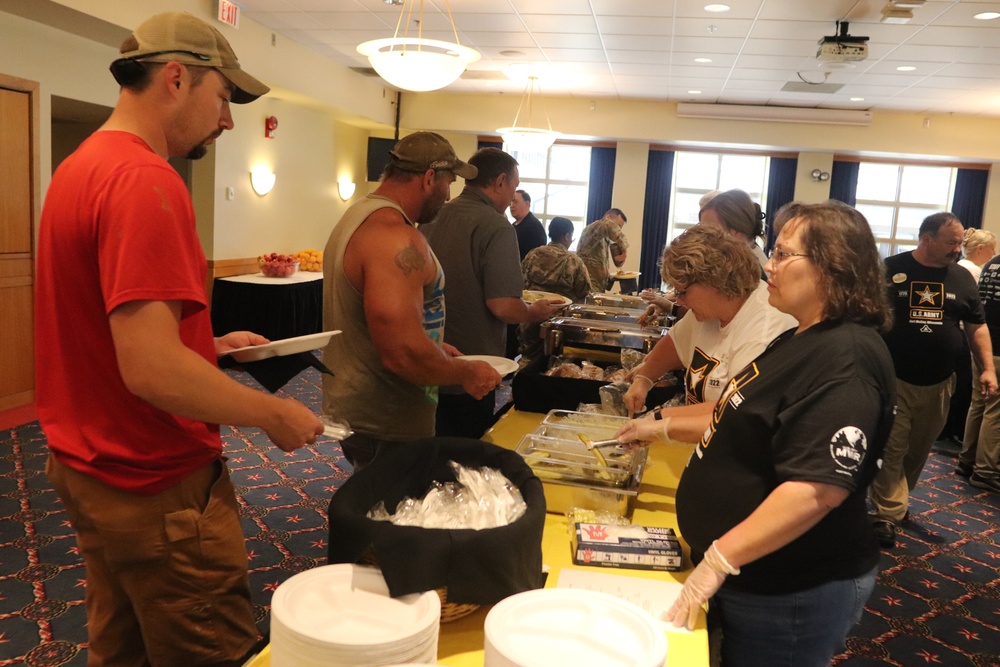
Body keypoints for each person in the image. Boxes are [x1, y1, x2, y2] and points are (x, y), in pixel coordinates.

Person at [34, 12, 326, 666]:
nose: (227, 120)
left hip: (88, 468)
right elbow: (150, 369)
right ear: (175, 79)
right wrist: (271, 412)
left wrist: (207, 345)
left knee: (123, 646)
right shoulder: (146, 179)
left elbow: (108, 331)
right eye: (223, 97)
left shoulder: (81, 169)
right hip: (154, 481)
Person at [616, 201, 896, 667]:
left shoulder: (846, 358)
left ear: (833, 267)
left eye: (784, 255)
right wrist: (659, 427)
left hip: (790, 587)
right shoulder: (804, 338)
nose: (768, 265)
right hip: (755, 576)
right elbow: (731, 412)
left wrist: (720, 558)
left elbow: (817, 489)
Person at [322, 132, 502, 468]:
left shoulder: (360, 213)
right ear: (430, 178)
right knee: (390, 514)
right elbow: (401, 353)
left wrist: (432, 344)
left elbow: (383, 320)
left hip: (364, 406)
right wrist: (464, 373)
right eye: (449, 183)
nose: (448, 196)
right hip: (386, 416)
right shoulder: (394, 236)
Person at [870, 212, 997, 548]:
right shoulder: (888, 269)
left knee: (918, 450)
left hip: (940, 382)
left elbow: (976, 325)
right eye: (951, 242)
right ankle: (887, 513)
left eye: (959, 242)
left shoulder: (962, 278)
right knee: (892, 447)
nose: (958, 249)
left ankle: (896, 500)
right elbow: (864, 319)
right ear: (926, 239)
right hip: (893, 378)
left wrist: (987, 367)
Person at [422, 147, 563, 438]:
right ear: (500, 181)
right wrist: (533, 312)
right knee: (463, 458)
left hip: (427, 352)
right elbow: (503, 306)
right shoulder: (496, 225)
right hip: (472, 365)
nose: (514, 196)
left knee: (425, 447)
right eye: (514, 186)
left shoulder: (431, 216)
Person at [624, 225, 796, 420]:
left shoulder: (763, 331)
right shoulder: (709, 310)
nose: (678, 300)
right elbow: (676, 342)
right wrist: (644, 379)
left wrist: (659, 421)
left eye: (682, 292)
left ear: (714, 280)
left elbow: (733, 412)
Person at [517, 216, 592, 366]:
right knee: (553, 365)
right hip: (558, 323)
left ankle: (519, 387)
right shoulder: (573, 261)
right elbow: (585, 292)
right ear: (567, 236)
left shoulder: (533, 254)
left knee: (527, 361)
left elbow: (519, 282)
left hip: (530, 316)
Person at [957, 251, 1000, 491]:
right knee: (995, 410)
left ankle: (967, 460)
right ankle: (985, 471)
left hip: (983, 345)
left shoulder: (992, 263)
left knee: (979, 402)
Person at [699, 189, 769, 269]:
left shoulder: (750, 274)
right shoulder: (739, 259)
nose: (702, 236)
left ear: (736, 231)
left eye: (710, 230)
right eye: (702, 229)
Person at [577, 207, 629, 292]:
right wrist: (624, 252)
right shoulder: (595, 227)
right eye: (617, 226)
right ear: (608, 217)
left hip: (597, 286)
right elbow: (609, 226)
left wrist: (611, 277)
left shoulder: (603, 237)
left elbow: (596, 264)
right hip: (588, 286)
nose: (618, 229)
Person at [509, 189, 547, 260]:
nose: (511, 205)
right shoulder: (514, 224)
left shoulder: (533, 227)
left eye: (515, 202)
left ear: (527, 204)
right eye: (510, 202)